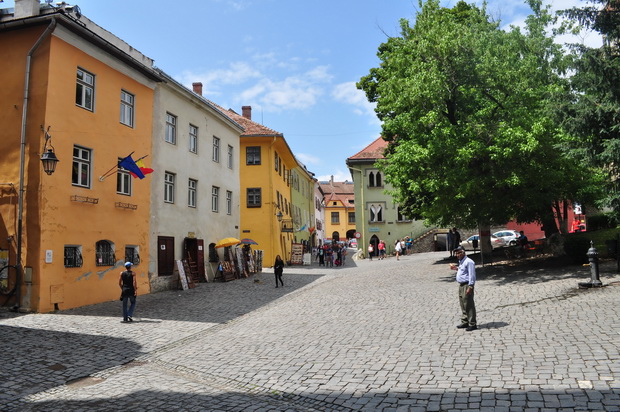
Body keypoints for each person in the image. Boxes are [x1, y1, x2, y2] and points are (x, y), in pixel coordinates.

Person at [450, 246, 477, 331]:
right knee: (463, 304)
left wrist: (470, 286)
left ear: (463, 252)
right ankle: (465, 321)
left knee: (468, 304)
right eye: (456, 253)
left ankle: (472, 323)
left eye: (459, 253)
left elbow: (472, 275)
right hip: (461, 285)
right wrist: (456, 269)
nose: (457, 255)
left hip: (466, 285)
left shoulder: (469, 262)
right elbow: (463, 272)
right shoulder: (461, 261)